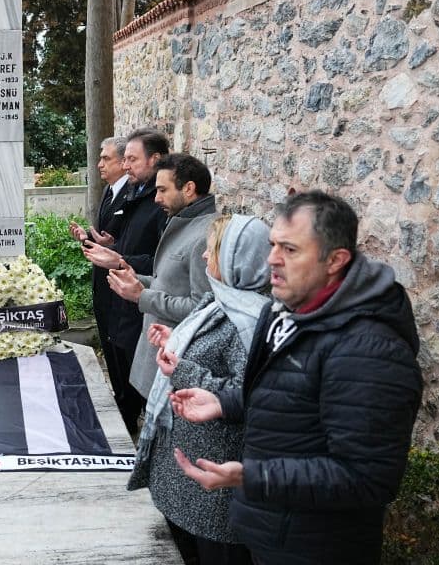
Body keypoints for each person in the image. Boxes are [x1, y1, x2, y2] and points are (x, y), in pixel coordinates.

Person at [170, 191, 423, 565]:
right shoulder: (286, 313)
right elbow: (293, 395)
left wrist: (252, 477)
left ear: (336, 260)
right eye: (273, 245)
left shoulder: (370, 350)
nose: (272, 259)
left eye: (289, 250)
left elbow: (365, 477)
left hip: (318, 547)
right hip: (271, 533)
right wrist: (226, 401)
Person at [128, 215, 270, 565]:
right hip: (189, 470)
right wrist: (175, 341)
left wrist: (184, 368)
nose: (205, 257)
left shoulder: (248, 321)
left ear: (237, 260)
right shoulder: (220, 300)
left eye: (213, 251)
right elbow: (205, 349)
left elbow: (250, 395)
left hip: (213, 479)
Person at [107, 152, 218, 400]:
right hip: (160, 358)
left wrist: (142, 296)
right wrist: (135, 279)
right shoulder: (182, 222)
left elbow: (203, 308)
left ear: (189, 189)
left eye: (162, 190)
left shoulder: (205, 235)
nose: (156, 198)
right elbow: (169, 283)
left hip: (178, 363)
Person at [80, 129, 169, 429]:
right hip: (122, 293)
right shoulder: (136, 192)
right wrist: (111, 247)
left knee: (137, 365)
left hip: (143, 297)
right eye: (126, 159)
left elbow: (160, 261)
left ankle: (137, 419)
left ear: (155, 160)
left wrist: (119, 258)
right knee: (119, 358)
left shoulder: (159, 204)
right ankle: (126, 417)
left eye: (132, 159)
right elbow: (131, 243)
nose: (127, 165)